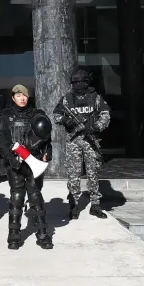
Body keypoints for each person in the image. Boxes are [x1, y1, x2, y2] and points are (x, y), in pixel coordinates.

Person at [0, 85, 53, 250]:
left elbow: (46, 137)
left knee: (36, 197)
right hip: (15, 164)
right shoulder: (5, 116)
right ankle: (14, 234)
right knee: (17, 197)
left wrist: (47, 153)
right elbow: (0, 141)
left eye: (25, 95)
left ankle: (42, 234)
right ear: (13, 98)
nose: (22, 98)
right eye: (18, 95)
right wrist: (11, 159)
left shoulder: (37, 114)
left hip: (34, 162)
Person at [52, 68, 110, 220]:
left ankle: (95, 204)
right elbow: (56, 115)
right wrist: (66, 120)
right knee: (73, 173)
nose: (77, 85)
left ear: (86, 82)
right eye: (75, 82)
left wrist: (96, 127)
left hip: (91, 139)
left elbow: (105, 115)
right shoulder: (67, 99)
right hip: (73, 140)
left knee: (93, 172)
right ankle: (74, 203)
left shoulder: (95, 97)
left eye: (80, 82)